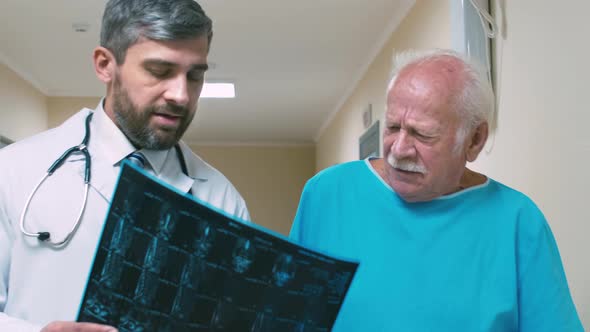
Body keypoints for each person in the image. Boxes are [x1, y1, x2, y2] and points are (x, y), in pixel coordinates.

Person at [289, 49, 584, 331]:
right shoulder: (327, 194)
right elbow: (286, 314)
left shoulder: (519, 222)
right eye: (392, 127)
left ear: (474, 140)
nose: (400, 149)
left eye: (422, 134)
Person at [0, 0, 250, 331]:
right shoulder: (14, 170)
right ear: (105, 64)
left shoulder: (223, 202)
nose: (181, 95)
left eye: (194, 76)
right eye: (160, 71)